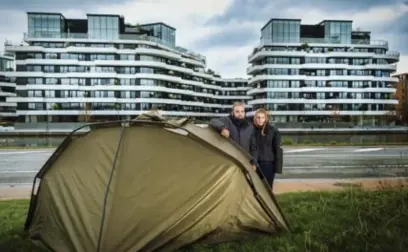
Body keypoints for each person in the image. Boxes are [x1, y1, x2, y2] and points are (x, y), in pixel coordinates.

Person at [250, 108, 281, 188]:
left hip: (268, 165)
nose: (260, 120)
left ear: (266, 118)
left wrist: (277, 167)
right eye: (258, 117)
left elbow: (277, 149)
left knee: (268, 188)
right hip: (255, 165)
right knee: (256, 188)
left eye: (263, 117)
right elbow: (252, 147)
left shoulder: (273, 131)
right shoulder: (251, 130)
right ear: (255, 118)